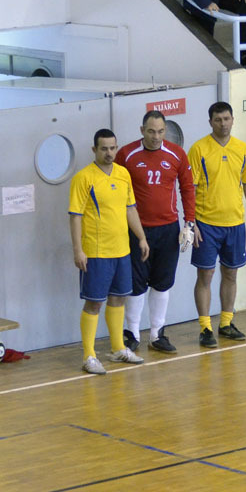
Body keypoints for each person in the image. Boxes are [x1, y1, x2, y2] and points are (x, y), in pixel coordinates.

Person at [114, 110, 197, 355]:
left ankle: (156, 334)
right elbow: (115, 189)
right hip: (137, 230)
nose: (156, 136)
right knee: (136, 283)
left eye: (160, 131)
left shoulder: (177, 154)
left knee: (162, 283)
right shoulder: (126, 154)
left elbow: (187, 188)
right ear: (142, 130)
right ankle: (132, 333)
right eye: (151, 131)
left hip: (168, 229)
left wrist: (189, 223)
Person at [68, 129, 149, 374]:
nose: (109, 153)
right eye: (104, 148)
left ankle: (118, 348)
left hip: (121, 250)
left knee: (118, 298)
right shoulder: (83, 178)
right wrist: (78, 250)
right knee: (94, 302)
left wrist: (141, 237)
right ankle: (89, 355)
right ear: (94, 150)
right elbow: (75, 216)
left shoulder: (123, 174)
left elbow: (130, 209)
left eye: (113, 148)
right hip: (96, 252)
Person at [187, 101, 246, 348]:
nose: (223, 124)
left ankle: (226, 323)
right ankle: (205, 327)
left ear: (232, 120)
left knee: (230, 273)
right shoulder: (198, 149)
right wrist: (192, 223)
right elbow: (190, 189)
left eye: (227, 119)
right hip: (206, 224)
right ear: (210, 122)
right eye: (218, 120)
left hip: (235, 224)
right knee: (206, 275)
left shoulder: (242, 149)